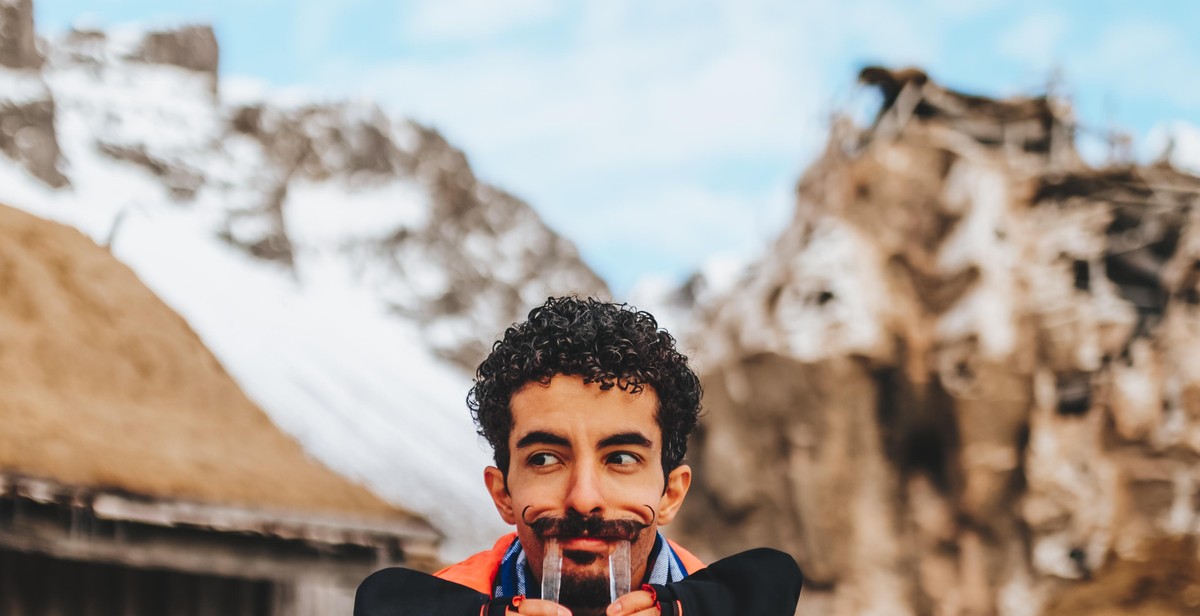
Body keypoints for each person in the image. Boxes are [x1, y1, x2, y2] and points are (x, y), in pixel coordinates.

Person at [355, 297, 801, 616]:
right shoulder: (454, 596)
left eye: (622, 458)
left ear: (670, 493)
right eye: (546, 459)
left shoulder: (722, 599)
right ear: (502, 493)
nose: (584, 498)